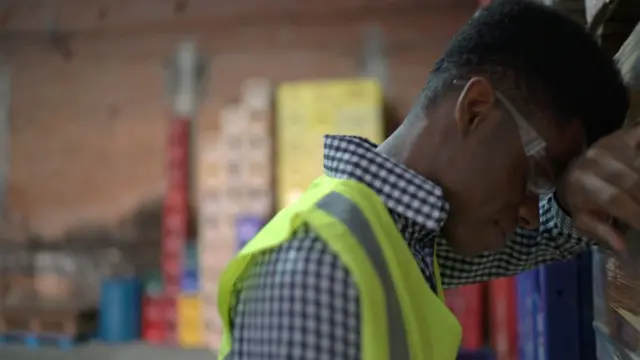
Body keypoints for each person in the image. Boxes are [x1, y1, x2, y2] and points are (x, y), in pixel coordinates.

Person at [216, 1, 635, 359]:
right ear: (475, 109)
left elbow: (539, 237)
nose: (528, 214)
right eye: (539, 176)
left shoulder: (399, 242)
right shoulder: (319, 273)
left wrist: (572, 199)